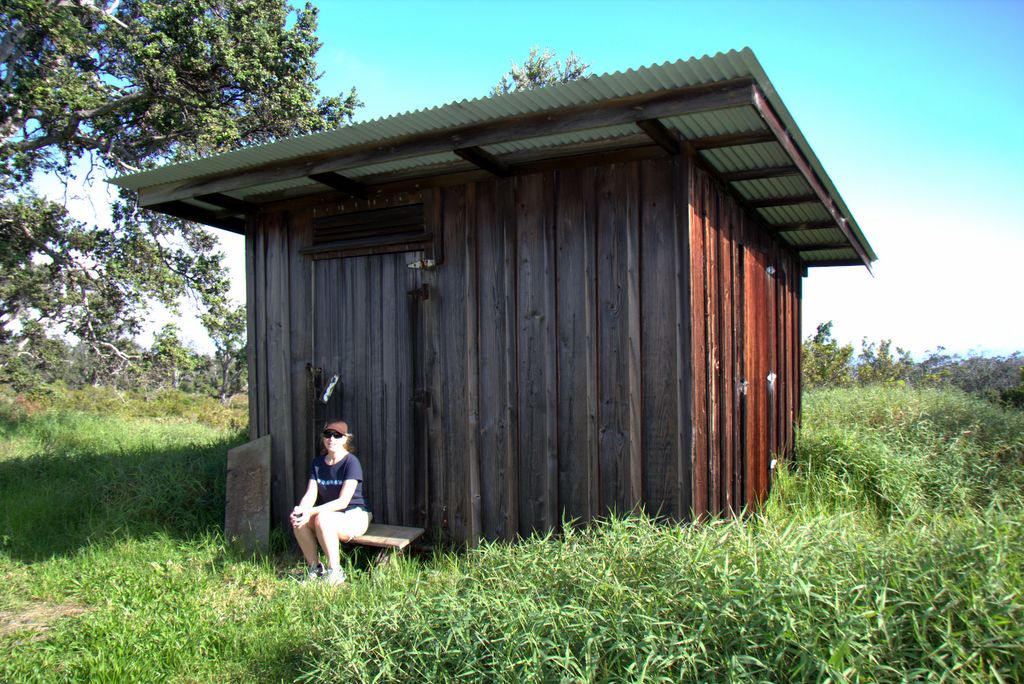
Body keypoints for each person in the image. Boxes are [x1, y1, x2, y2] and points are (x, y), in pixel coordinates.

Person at [291, 419, 371, 584]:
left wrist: (311, 511)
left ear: (345, 438)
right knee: (298, 520)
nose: (331, 439)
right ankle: (315, 569)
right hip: (330, 515)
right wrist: (302, 510)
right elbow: (310, 494)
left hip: (354, 515)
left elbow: (343, 502)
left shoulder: (351, 462)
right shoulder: (318, 463)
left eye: (337, 435)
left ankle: (335, 572)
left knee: (322, 518)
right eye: (328, 434)